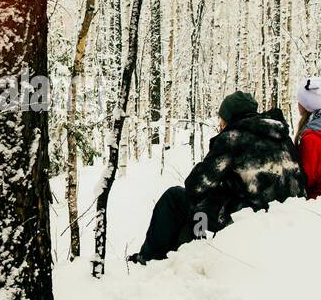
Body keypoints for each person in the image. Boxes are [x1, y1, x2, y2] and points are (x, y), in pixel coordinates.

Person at [130, 91, 307, 263]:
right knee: (205, 203)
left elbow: (196, 185)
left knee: (175, 197)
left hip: (246, 219)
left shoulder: (233, 137)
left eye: (221, 118)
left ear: (229, 117)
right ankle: (183, 251)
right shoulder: (282, 136)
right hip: (285, 217)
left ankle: (149, 258)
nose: (219, 123)